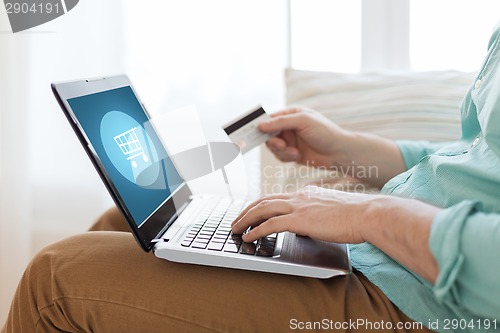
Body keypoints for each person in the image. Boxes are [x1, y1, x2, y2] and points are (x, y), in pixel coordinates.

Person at [3, 25, 500, 333]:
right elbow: (475, 156)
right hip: (394, 261)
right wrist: (346, 148)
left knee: (55, 280)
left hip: (430, 307)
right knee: (127, 222)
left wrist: (368, 213)